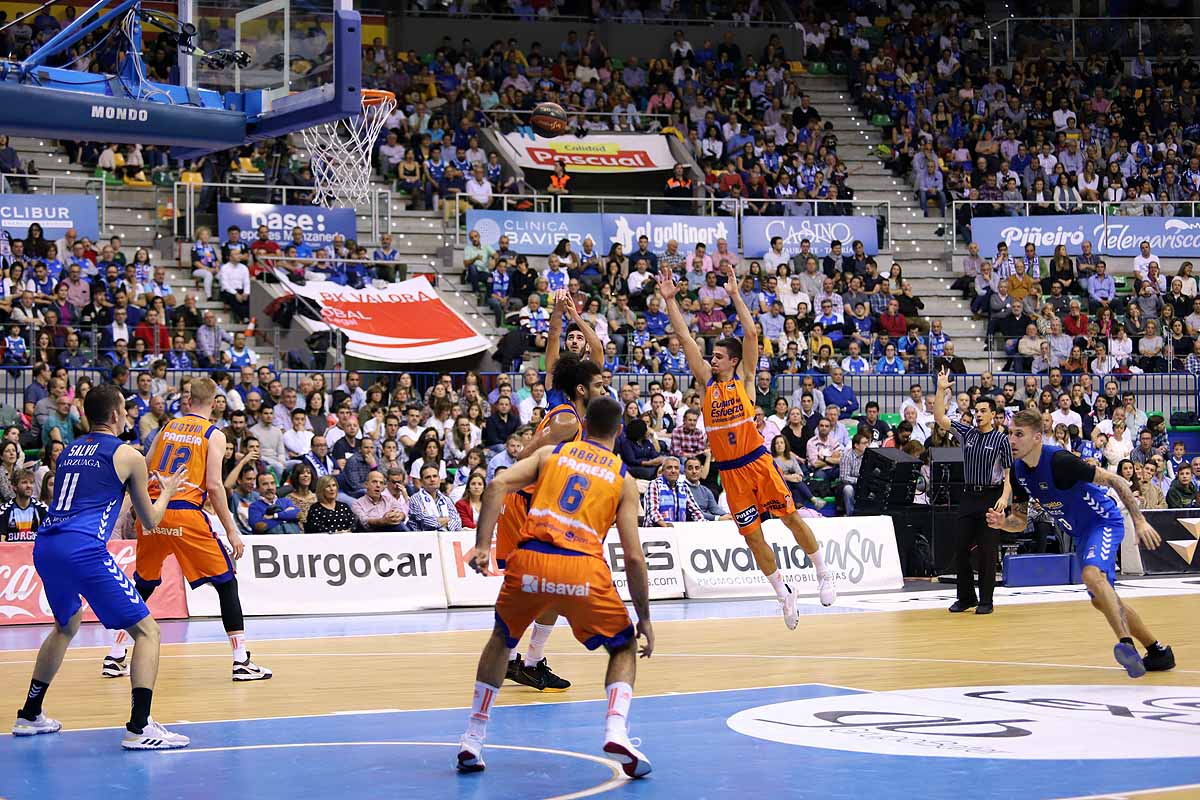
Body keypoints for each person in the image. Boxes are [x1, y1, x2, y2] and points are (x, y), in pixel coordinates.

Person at [456, 396, 653, 778]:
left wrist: (482, 546)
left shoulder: (552, 455)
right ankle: (617, 731)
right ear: (617, 431)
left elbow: (496, 484)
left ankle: (472, 738)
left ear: (585, 424)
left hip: (531, 558)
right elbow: (633, 557)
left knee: (501, 639)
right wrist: (645, 618)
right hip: (582, 567)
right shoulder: (622, 478)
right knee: (624, 646)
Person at [12, 384, 191, 749]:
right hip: (83, 549)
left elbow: (95, 497)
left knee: (66, 625)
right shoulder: (128, 455)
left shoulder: (71, 450)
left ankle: (30, 715)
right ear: (115, 415)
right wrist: (169, 490)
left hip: (46, 545)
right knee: (147, 632)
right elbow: (152, 520)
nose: (127, 416)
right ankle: (140, 728)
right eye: (125, 410)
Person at [659, 262, 836, 627]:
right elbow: (686, 338)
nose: (712, 358)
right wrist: (670, 302)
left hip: (758, 462)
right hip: (731, 474)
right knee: (753, 540)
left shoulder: (746, 379)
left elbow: (752, 333)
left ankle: (823, 571)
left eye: (719, 356)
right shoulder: (706, 382)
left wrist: (737, 295)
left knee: (789, 518)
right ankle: (783, 594)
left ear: (734, 360)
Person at [105, 377, 272, 682]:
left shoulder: (167, 427)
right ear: (215, 402)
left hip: (153, 511)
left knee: (144, 583)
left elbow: (144, 467)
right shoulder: (213, 434)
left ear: (187, 400)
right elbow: (213, 486)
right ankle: (241, 661)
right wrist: (232, 531)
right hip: (184, 512)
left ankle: (115, 654)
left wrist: (136, 507)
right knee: (226, 583)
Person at [989, 409, 1174, 675]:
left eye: (1019, 434)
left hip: (1103, 520)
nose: (1012, 440)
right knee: (1101, 600)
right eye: (1010, 434)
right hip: (1082, 533)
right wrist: (1002, 523)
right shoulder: (1019, 473)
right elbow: (1019, 521)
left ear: (1038, 437)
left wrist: (1140, 520)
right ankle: (1158, 652)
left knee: (1090, 574)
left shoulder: (1060, 461)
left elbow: (1116, 479)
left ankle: (1126, 645)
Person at [493, 355, 604, 693]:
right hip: (528, 506)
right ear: (583, 389)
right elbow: (527, 453)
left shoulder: (569, 413)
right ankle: (519, 660)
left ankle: (523, 661)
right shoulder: (569, 422)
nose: (604, 389)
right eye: (599, 385)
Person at [932, 367, 1011, 615]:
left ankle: (986, 600)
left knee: (987, 552)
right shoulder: (967, 433)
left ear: (994, 415)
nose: (978, 414)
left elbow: (1009, 476)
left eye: (983, 411)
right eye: (976, 411)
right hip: (968, 495)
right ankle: (966, 597)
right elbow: (939, 419)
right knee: (961, 547)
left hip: (991, 496)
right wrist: (940, 389)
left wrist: (1004, 497)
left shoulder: (1001, 440)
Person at [0, 468, 48, 542]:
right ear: (14, 487)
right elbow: (2, 541)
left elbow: (47, 537)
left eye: (31, 482)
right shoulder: (4, 510)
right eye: (24, 482)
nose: (29, 486)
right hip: (11, 553)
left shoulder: (42, 509)